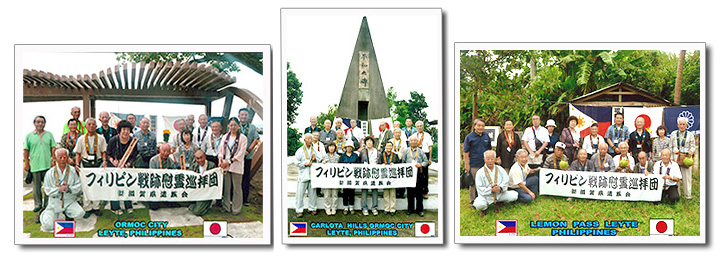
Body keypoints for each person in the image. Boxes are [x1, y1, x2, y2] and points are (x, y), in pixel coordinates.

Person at [39, 148, 84, 232]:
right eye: (60, 157)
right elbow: (47, 189)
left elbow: (79, 186)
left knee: (80, 213)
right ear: (55, 158)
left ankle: (68, 214)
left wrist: (69, 189)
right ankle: (45, 213)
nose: (63, 159)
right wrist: (58, 190)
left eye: (65, 157)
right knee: (48, 225)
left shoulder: (73, 171)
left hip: (69, 201)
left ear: (68, 158)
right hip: (54, 203)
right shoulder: (50, 173)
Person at [73, 117, 107, 218]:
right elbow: (78, 153)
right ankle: (87, 207)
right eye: (89, 124)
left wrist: (104, 161)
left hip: (98, 164)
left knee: (97, 186)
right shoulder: (81, 139)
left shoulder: (101, 138)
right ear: (86, 126)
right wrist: (77, 164)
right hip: (85, 165)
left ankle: (96, 207)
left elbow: (103, 152)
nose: (91, 126)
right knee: (86, 187)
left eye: (93, 124)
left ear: (96, 126)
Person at [24, 116, 56, 217]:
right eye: (38, 122)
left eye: (42, 122)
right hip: (35, 165)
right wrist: (27, 163)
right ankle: (38, 204)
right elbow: (26, 150)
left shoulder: (49, 134)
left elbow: (53, 148)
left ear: (45, 124)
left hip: (47, 165)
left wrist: (53, 160)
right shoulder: (29, 136)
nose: (40, 124)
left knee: (48, 186)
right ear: (34, 123)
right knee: (36, 187)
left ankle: (47, 204)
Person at [473, 150, 518, 217]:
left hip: (499, 194)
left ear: (495, 159)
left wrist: (500, 187)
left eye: (492, 159)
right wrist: (491, 190)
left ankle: (499, 202)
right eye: (488, 159)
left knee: (514, 195)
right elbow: (479, 188)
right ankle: (484, 209)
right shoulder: (480, 172)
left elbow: (506, 180)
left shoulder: (500, 169)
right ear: (484, 160)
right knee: (479, 204)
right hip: (486, 196)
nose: (490, 161)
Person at [106, 120, 138, 215]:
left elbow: (134, 156)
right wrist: (112, 161)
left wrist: (127, 164)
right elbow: (108, 154)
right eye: (123, 129)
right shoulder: (113, 140)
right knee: (114, 186)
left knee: (127, 185)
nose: (125, 132)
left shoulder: (133, 141)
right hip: (114, 166)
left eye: (128, 129)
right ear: (119, 130)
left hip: (126, 167)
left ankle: (128, 205)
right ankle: (115, 207)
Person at [217, 117, 248, 214]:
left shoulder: (243, 138)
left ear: (238, 126)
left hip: (236, 165)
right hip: (225, 165)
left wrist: (229, 161)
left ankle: (236, 209)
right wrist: (220, 160)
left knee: (237, 188)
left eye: (235, 125)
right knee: (226, 187)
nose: (233, 127)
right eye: (231, 125)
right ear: (228, 126)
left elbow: (241, 153)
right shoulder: (225, 136)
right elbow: (221, 151)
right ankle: (226, 207)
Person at [463, 118, 492, 204]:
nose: (480, 127)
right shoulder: (469, 137)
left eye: (482, 126)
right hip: (474, 164)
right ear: (474, 126)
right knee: (473, 183)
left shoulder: (486, 136)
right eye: (478, 125)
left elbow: (489, 149)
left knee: (486, 182)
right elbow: (465, 152)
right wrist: (466, 164)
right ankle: (472, 201)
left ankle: (485, 199)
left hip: (485, 164)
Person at [294, 133, 321, 218]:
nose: (310, 140)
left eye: (311, 139)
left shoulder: (315, 150)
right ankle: (299, 210)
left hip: (312, 175)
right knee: (300, 194)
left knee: (312, 193)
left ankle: (312, 208)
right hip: (303, 175)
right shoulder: (300, 150)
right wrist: (304, 164)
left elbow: (320, 159)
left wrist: (315, 159)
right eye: (308, 139)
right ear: (304, 140)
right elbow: (296, 162)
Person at [669, 117, 696, 200]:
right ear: (677, 125)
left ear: (687, 125)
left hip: (686, 157)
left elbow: (693, 146)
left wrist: (691, 151)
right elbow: (670, 146)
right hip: (675, 157)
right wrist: (672, 158)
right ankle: (677, 194)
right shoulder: (673, 134)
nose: (682, 126)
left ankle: (688, 195)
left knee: (686, 177)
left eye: (684, 124)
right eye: (680, 124)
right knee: (676, 176)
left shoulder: (690, 135)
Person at [148, 143, 178, 210]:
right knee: (154, 207)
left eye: (168, 151)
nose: (166, 153)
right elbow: (152, 175)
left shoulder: (170, 161)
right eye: (164, 151)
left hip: (167, 183)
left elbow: (175, 172)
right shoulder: (153, 160)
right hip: (156, 184)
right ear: (159, 151)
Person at [403, 136, 428, 217]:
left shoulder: (421, 151)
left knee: (419, 193)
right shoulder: (406, 151)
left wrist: (420, 164)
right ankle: (410, 209)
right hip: (409, 174)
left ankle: (419, 210)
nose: (413, 142)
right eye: (411, 140)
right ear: (409, 142)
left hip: (418, 174)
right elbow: (403, 161)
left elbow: (426, 161)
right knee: (410, 192)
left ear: (417, 142)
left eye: (414, 140)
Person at [187, 150, 217, 216]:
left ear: (205, 157)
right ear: (195, 158)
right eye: (197, 158)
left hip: (206, 194)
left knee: (197, 212)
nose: (200, 160)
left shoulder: (212, 165)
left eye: (201, 157)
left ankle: (206, 205)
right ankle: (195, 204)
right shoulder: (194, 166)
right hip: (196, 192)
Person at [359, 136, 380, 216]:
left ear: (373, 143)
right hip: (365, 173)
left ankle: (374, 207)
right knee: (364, 191)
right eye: (367, 141)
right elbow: (359, 161)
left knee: (374, 190)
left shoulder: (377, 152)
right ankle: (364, 208)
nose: (369, 143)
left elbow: (380, 162)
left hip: (374, 173)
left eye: (371, 141)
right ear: (365, 143)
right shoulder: (362, 152)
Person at [379, 142, 401, 215]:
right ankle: (386, 208)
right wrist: (381, 165)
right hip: (384, 176)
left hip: (393, 177)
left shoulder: (395, 155)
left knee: (392, 193)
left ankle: (392, 209)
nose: (389, 147)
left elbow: (399, 165)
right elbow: (378, 164)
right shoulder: (382, 155)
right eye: (387, 146)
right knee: (386, 193)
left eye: (390, 146)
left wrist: (394, 165)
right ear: (385, 147)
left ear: (392, 147)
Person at [338, 141, 360, 215]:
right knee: (345, 192)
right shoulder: (342, 156)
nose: (349, 148)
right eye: (348, 147)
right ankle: (345, 207)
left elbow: (359, 165)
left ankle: (351, 207)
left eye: (350, 147)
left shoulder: (355, 156)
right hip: (344, 177)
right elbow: (339, 165)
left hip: (353, 176)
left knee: (351, 192)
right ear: (345, 148)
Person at [414, 121, 433, 199]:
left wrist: (430, 159)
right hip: (416, 154)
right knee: (417, 174)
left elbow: (430, 147)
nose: (419, 127)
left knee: (425, 174)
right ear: (416, 127)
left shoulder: (427, 135)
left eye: (420, 126)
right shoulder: (414, 135)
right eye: (418, 126)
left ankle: (425, 191)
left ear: (423, 126)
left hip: (425, 154)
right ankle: (416, 191)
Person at [322, 143, 340, 215]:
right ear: (328, 148)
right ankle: (327, 207)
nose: (331, 148)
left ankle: (334, 208)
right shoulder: (324, 156)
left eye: (333, 146)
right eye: (330, 146)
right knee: (326, 194)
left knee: (335, 194)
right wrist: (322, 163)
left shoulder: (338, 157)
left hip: (335, 178)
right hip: (326, 178)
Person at [391, 128, 408, 199]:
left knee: (401, 176)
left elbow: (406, 151)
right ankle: (394, 192)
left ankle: (401, 193)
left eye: (399, 133)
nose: (397, 134)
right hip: (393, 161)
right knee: (394, 177)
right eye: (396, 133)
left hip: (401, 160)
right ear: (393, 134)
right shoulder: (390, 141)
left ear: (400, 134)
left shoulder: (403, 141)